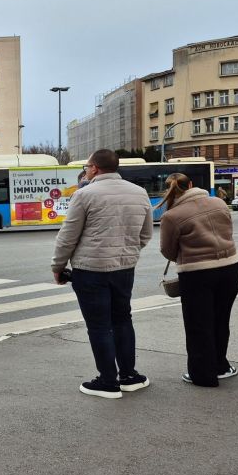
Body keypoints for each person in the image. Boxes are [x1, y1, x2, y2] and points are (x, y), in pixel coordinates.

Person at [51, 149, 153, 399]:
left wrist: (58, 266)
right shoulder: (139, 193)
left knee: (99, 326)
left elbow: (68, 236)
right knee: (122, 319)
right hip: (124, 269)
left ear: (95, 168)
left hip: (91, 270)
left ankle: (108, 381)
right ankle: (129, 376)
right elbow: (145, 234)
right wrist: (127, 252)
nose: (85, 171)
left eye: (87, 167)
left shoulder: (84, 195)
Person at [159, 173, 238, 387]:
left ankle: (202, 375)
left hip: (198, 274)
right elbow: (229, 231)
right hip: (231, 269)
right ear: (192, 184)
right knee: (220, 320)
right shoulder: (219, 203)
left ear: (168, 190)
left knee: (198, 325)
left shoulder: (172, 216)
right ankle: (220, 366)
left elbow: (168, 251)